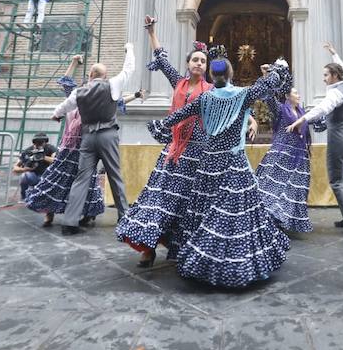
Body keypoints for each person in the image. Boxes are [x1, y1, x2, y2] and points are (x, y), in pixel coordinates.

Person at [148, 54, 290, 288]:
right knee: (236, 215)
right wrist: (273, 67)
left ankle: (203, 261)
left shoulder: (204, 98)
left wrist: (161, 126)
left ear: (212, 76)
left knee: (205, 212)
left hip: (209, 165)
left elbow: (177, 116)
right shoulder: (244, 95)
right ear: (231, 74)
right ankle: (238, 264)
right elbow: (273, 80)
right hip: (234, 164)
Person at [116, 17, 214, 267]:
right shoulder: (178, 82)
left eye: (203, 61)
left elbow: (234, 104)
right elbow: (161, 58)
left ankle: (183, 249)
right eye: (195, 60)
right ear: (188, 63)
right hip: (173, 151)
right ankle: (147, 248)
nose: (199, 64)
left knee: (188, 202)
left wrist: (252, 121)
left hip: (197, 152)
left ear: (206, 66)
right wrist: (151, 32)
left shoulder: (212, 90)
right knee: (159, 197)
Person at [51, 43, 134, 235]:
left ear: (90, 76)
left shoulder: (78, 91)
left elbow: (64, 106)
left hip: (88, 138)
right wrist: (129, 49)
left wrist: (55, 115)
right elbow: (129, 69)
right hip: (108, 135)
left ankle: (70, 222)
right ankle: (124, 217)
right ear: (104, 76)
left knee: (82, 178)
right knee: (115, 176)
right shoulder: (112, 84)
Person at [286, 43, 343, 234]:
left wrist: (302, 119)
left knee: (336, 180)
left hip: (338, 137)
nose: (324, 78)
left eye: (326, 75)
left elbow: (322, 109)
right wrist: (335, 54)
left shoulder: (335, 92)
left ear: (334, 76)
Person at [26, 55, 105, 229]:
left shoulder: (95, 100)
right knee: (54, 178)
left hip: (84, 148)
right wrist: (74, 61)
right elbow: (66, 81)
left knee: (87, 181)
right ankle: (48, 212)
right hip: (68, 147)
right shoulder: (75, 96)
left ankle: (89, 213)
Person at [256, 70, 314, 233]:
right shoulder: (281, 109)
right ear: (288, 96)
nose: (298, 95)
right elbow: (268, 98)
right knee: (272, 187)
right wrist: (268, 77)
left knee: (295, 189)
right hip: (281, 155)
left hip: (299, 157)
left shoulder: (303, 113)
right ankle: (270, 215)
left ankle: (285, 219)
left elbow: (317, 122)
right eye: (295, 92)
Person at [13, 132, 56, 201]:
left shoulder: (50, 148)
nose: (39, 144)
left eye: (41, 142)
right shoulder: (28, 151)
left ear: (45, 142)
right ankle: (24, 197)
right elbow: (15, 168)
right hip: (33, 175)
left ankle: (47, 197)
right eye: (37, 142)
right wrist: (25, 169)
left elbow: (55, 160)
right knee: (24, 176)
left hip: (47, 176)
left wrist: (43, 157)